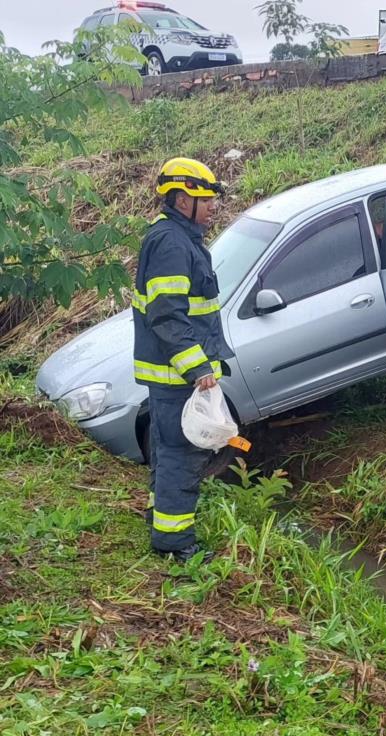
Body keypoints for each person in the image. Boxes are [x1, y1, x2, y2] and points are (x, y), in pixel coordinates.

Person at [133, 157, 232, 562]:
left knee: (165, 446)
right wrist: (199, 369)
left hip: (170, 374)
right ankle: (175, 544)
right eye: (203, 199)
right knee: (181, 452)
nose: (211, 207)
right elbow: (167, 314)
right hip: (178, 375)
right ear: (179, 199)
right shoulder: (172, 244)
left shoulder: (177, 238)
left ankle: (162, 516)